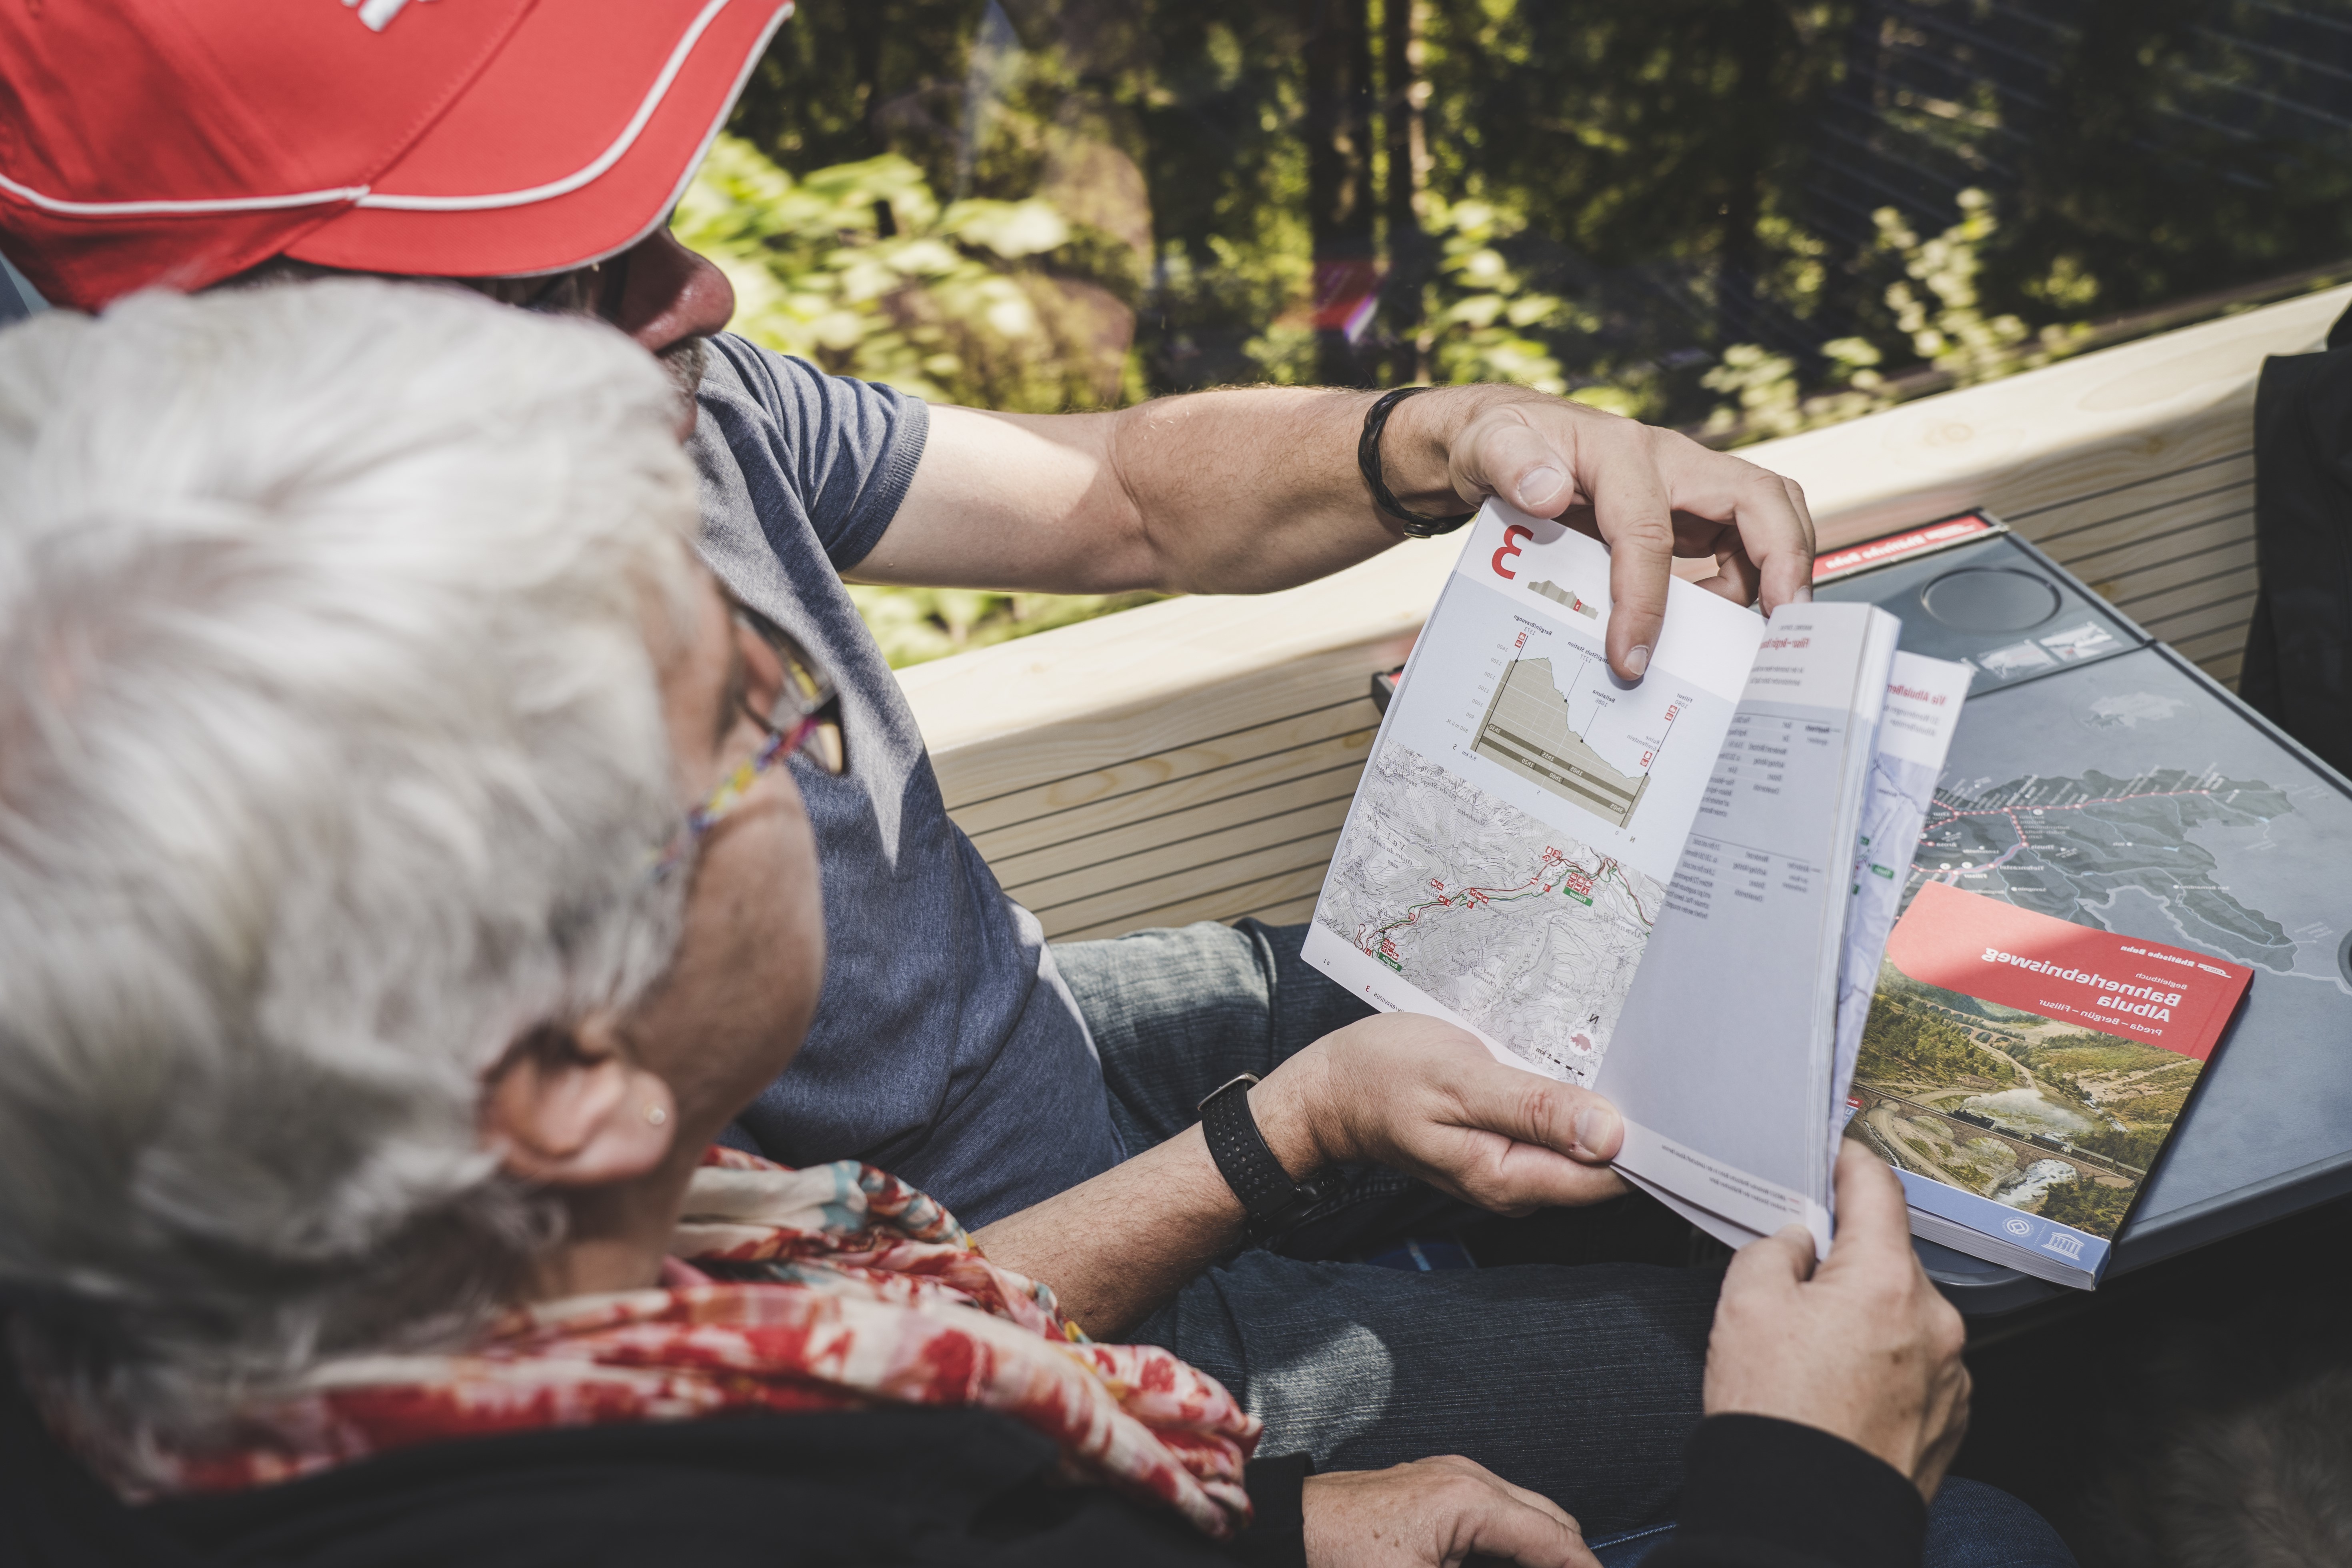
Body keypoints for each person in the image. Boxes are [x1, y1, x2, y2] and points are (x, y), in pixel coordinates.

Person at [0, 278, 2068, 1568]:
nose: (827, 728)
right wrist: (1805, 1503)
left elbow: (1111, 493)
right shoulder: (856, 1501)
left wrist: (1276, 1510)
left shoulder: (374, 1312)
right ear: (557, 1084)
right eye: (753, 720)